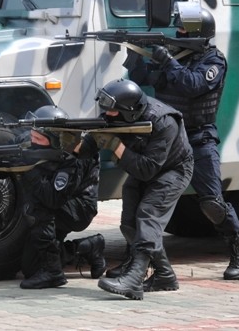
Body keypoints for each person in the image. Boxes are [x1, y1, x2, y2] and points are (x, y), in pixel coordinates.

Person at [123, 4, 239, 281]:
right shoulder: (176, 56)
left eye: (183, 28)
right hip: (168, 139)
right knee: (142, 198)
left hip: (198, 136)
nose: (178, 31)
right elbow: (141, 79)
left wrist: (167, 59)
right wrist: (133, 53)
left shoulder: (213, 61)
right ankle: (140, 262)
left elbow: (192, 85)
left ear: (198, 33)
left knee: (211, 203)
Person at [79, 78, 193, 301]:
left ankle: (134, 278)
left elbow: (147, 170)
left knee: (148, 216)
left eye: (112, 112)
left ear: (128, 111)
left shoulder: (163, 122)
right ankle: (165, 275)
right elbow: (85, 148)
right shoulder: (116, 115)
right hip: (142, 167)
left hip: (173, 170)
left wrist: (116, 146)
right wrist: (68, 143)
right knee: (130, 224)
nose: (106, 115)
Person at [18, 105, 106, 289]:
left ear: (55, 140)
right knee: (30, 267)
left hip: (78, 208)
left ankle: (53, 273)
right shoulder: (51, 146)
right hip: (61, 205)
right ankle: (89, 247)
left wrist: (30, 170)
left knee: (37, 206)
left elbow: (52, 198)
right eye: (32, 135)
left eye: (37, 138)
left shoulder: (75, 158)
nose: (32, 140)